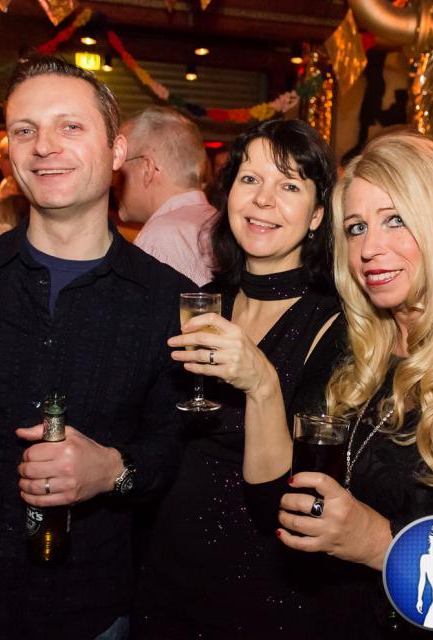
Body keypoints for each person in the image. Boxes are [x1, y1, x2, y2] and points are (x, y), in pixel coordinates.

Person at [245, 130, 433, 637]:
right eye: (356, 228)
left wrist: (377, 543)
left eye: (395, 220)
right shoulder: (357, 350)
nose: (369, 248)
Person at [0, 55, 190, 640]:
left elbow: (174, 450)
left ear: (116, 152)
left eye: (70, 126)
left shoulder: (169, 300)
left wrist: (112, 471)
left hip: (91, 610)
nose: (43, 146)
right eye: (25, 130)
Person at [132, 118, 345, 639]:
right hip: (165, 575)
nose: (262, 200)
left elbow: (285, 507)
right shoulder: (206, 302)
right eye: (250, 179)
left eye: (289, 186)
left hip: (260, 594)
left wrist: (262, 384)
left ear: (318, 215)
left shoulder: (334, 324)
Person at [116, 106, 217, 285]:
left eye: (118, 167)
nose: (112, 180)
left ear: (147, 169)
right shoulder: (218, 222)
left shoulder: (160, 238)